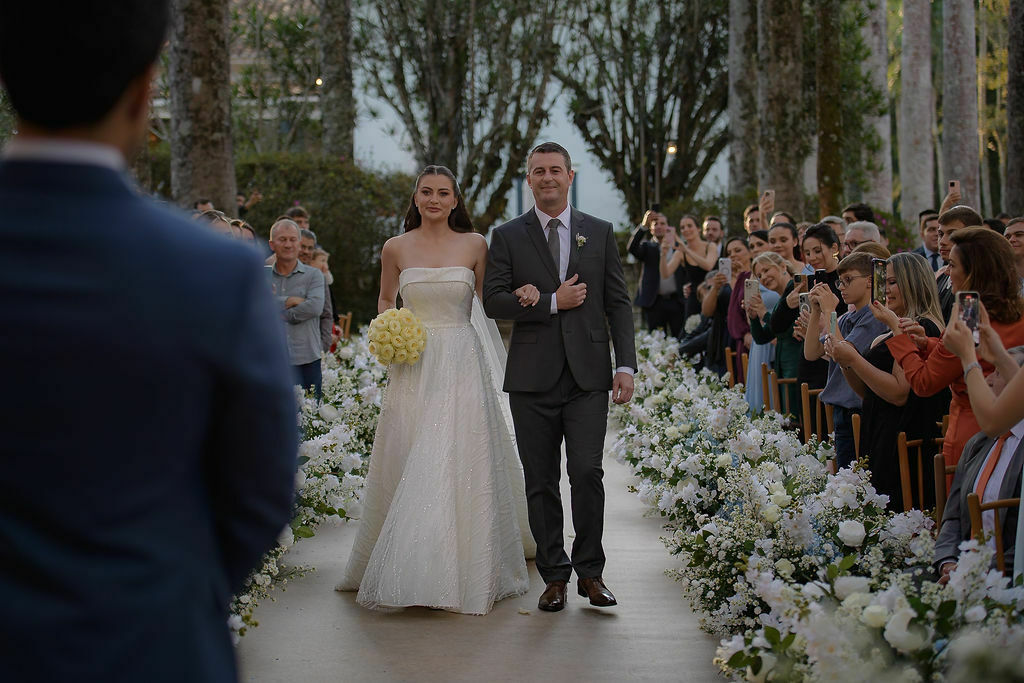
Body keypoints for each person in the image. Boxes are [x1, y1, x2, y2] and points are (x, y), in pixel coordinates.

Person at [0, 2, 298, 680]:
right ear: (143, 90)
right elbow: (260, 490)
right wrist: (170, 593)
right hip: (150, 641)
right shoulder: (215, 272)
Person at [338, 165, 533, 615]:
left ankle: (462, 565)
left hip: (461, 359)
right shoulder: (395, 247)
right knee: (411, 449)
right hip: (413, 362)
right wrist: (390, 329)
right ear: (415, 197)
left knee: (453, 451)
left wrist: (523, 292)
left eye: (443, 193)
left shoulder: (475, 244)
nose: (434, 200)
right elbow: (386, 298)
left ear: (455, 200)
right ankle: (404, 563)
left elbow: (490, 300)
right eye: (426, 192)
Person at [484, 142, 637, 612]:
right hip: (532, 378)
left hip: (588, 376)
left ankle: (591, 572)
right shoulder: (507, 236)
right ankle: (554, 576)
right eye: (538, 171)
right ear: (528, 179)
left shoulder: (600, 231)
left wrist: (625, 365)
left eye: (555, 170)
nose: (547, 177)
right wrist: (550, 302)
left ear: (570, 176)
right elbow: (493, 301)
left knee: (587, 472)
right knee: (541, 479)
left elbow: (617, 303)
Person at [889, 227, 1024, 474]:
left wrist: (899, 337)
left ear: (973, 273)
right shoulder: (1016, 308)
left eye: (952, 265)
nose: (947, 272)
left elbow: (925, 381)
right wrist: (928, 344)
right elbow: (963, 354)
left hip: (975, 429)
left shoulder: (970, 313)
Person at [829, 252, 948, 508]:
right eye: (883, 283)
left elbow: (899, 393)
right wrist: (845, 361)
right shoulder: (892, 328)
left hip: (902, 438)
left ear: (913, 283)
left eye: (892, 282)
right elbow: (867, 391)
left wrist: (855, 358)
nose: (885, 290)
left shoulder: (921, 328)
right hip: (879, 431)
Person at [933, 345, 1024, 580]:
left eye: (999, 373)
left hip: (1005, 578)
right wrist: (947, 563)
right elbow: (953, 516)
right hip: (960, 570)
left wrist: (974, 574)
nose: (988, 381)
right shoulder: (979, 442)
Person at [806, 251, 887, 467]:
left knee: (853, 477)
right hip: (841, 410)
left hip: (857, 410)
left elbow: (841, 351)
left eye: (848, 280)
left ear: (869, 281)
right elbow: (812, 352)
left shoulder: (874, 317)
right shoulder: (847, 318)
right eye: (839, 282)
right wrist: (816, 312)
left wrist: (829, 311)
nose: (841, 287)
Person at [266, 219, 326, 398]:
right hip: (270, 360)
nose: (288, 244)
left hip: (306, 360)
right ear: (271, 244)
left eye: (292, 240)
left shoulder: (314, 275)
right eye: (282, 239)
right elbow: (255, 306)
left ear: (299, 244)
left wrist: (278, 310)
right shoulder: (261, 275)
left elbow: (315, 307)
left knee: (310, 413)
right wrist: (289, 300)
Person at [747, 252, 799, 413]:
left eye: (766, 270)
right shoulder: (781, 300)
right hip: (783, 369)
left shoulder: (795, 292)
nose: (763, 277)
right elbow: (762, 337)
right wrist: (754, 318)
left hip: (797, 367)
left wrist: (764, 313)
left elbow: (791, 329)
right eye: (759, 275)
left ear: (782, 266)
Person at [627, 211, 685, 336]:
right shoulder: (647, 247)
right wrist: (643, 226)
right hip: (654, 302)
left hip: (677, 301)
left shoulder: (678, 247)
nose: (659, 226)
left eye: (662, 223)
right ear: (651, 229)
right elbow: (632, 248)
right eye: (655, 224)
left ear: (668, 227)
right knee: (656, 340)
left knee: (679, 337)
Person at [662, 214, 717, 320]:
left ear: (698, 229)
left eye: (689, 226)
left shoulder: (710, 246)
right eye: (682, 227)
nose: (686, 229)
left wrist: (686, 250)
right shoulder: (680, 252)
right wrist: (663, 255)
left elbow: (708, 266)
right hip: (693, 300)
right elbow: (665, 274)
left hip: (711, 295)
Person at [934, 205, 984, 321]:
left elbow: (969, 327)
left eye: (952, 234)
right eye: (940, 234)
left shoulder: (976, 282)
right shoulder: (942, 278)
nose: (942, 241)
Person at [297, 228, 334, 353]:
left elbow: (327, 314)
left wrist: (323, 345)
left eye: (310, 248)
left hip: (312, 348)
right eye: (302, 247)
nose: (306, 251)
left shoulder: (319, 278)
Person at [722, 237, 754, 379]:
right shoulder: (729, 278)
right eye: (729, 253)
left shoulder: (756, 275)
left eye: (737, 250)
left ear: (750, 252)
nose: (733, 255)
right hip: (737, 336)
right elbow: (733, 311)